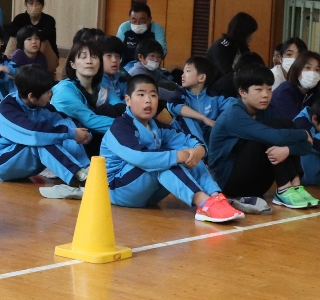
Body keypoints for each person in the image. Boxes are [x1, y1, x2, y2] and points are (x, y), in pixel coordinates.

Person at [102, 74, 243, 223]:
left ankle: (215, 197)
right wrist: (178, 156)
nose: (148, 100)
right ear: (128, 100)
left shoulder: (156, 126)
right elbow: (140, 157)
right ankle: (204, 204)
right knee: (165, 160)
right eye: (141, 94)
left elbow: (187, 139)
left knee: (188, 157)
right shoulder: (120, 126)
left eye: (153, 95)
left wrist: (198, 150)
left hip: (147, 194)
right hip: (119, 190)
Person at [207, 65, 320, 214]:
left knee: (286, 124)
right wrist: (304, 134)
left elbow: (306, 147)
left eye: (269, 89)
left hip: (258, 184)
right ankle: (284, 188)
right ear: (242, 92)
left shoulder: (267, 111)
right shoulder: (234, 114)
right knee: (271, 130)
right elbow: (276, 136)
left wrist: (287, 150)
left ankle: (295, 186)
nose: (265, 95)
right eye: (259, 90)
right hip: (230, 182)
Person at [0, 66, 90, 198]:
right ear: (31, 96)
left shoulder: (40, 105)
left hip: (21, 158)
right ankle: (82, 176)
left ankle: (85, 168)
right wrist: (71, 134)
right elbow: (33, 132)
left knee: (65, 125)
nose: (51, 94)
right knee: (41, 140)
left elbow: (62, 119)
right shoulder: (8, 108)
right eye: (47, 92)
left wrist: (82, 133)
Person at [51, 39, 124, 156]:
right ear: (72, 64)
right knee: (107, 112)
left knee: (112, 110)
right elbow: (89, 120)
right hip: (71, 142)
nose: (89, 61)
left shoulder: (102, 86)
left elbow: (121, 107)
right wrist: (129, 127)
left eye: (94, 57)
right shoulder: (64, 91)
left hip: (93, 136)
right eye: (83, 57)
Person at [167, 56, 231, 143]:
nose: (183, 75)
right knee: (187, 117)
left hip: (208, 141)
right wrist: (204, 118)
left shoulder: (215, 97)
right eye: (183, 72)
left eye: (188, 71)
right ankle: (201, 149)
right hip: (182, 140)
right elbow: (175, 106)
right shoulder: (180, 94)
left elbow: (234, 106)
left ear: (201, 78)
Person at [5, 0, 59, 73]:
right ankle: (8, 62)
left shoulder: (49, 20)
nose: (34, 7)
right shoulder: (20, 18)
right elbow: (10, 30)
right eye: (31, 3)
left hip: (48, 59)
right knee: (14, 37)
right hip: (24, 55)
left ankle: (36, 68)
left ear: (42, 6)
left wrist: (28, 34)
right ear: (26, 5)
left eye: (38, 4)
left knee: (40, 40)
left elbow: (45, 35)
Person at [268, 50, 320, 121]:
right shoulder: (284, 91)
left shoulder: (315, 94)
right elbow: (296, 123)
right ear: (297, 69)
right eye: (308, 68)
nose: (312, 73)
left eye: (317, 70)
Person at [206, 12, 262, 79]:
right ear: (242, 33)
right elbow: (227, 73)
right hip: (216, 85)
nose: (251, 37)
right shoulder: (221, 47)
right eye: (250, 34)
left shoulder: (242, 48)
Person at [125, 39, 181, 103]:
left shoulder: (153, 70)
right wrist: (177, 95)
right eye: (152, 56)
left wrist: (182, 90)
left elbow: (166, 81)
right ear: (140, 57)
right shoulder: (138, 72)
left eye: (159, 57)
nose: (156, 60)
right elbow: (154, 91)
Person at [97, 35, 128, 101]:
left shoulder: (121, 78)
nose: (114, 60)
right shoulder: (96, 81)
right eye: (109, 56)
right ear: (98, 58)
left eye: (117, 56)